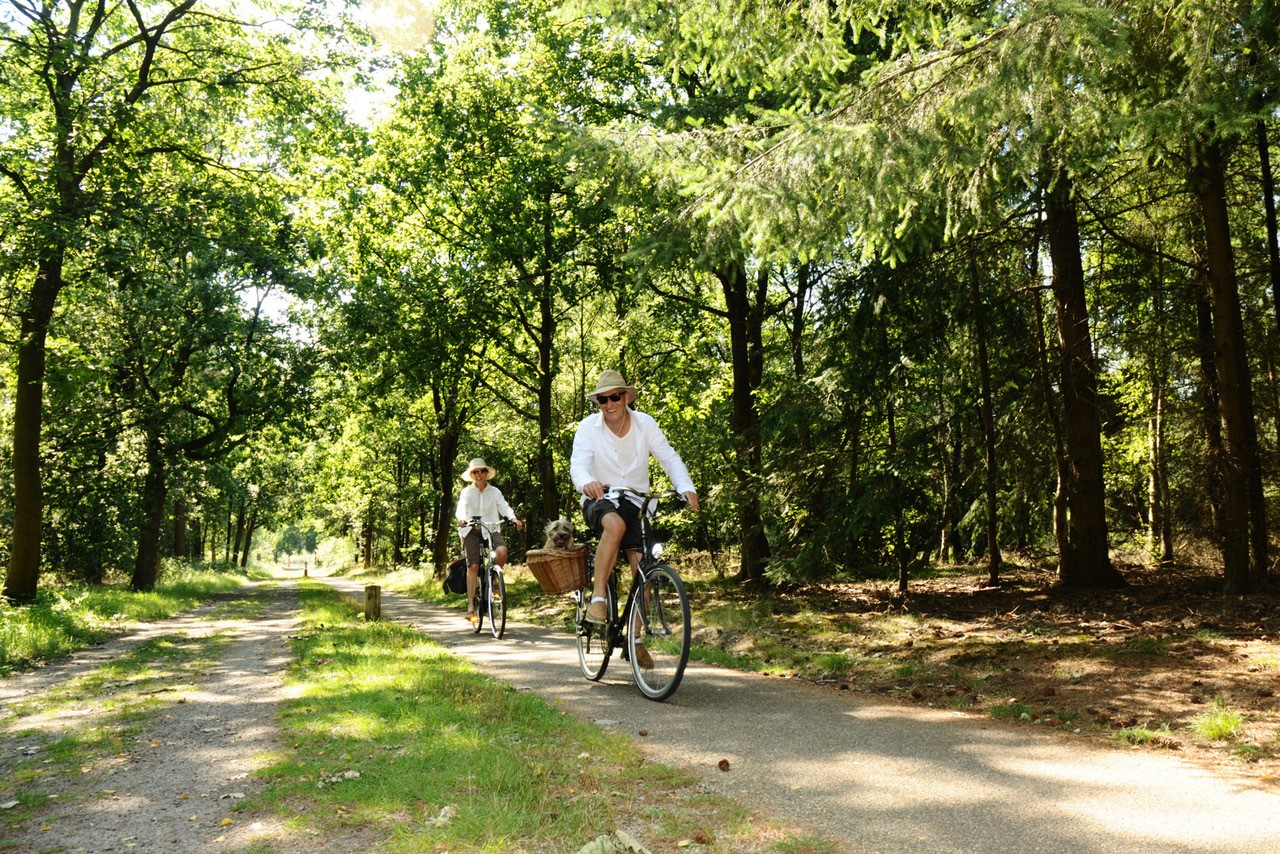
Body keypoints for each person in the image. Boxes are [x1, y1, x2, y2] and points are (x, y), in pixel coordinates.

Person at [570, 370, 699, 638]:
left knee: (644, 565)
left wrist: (685, 487)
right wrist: (587, 483)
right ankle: (597, 602)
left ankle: (635, 639)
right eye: (602, 400)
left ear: (626, 397)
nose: (609, 405)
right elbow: (578, 465)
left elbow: (669, 458)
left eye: (614, 397)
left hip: (637, 501)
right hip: (601, 498)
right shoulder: (587, 428)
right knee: (614, 526)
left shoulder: (645, 424)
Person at [456, 457, 524, 623]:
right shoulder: (466, 492)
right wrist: (462, 519)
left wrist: (514, 519)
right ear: (472, 475)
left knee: (502, 551)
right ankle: (471, 606)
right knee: (473, 565)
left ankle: (493, 581)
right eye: (475, 472)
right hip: (471, 529)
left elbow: (504, 507)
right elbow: (461, 508)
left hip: (491, 527)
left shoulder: (495, 492)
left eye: (482, 471)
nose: (479, 474)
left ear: (486, 473)